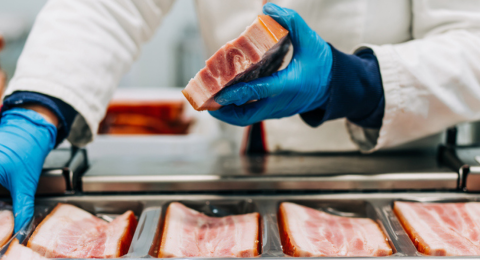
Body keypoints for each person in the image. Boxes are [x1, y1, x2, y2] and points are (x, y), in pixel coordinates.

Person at [1, 0, 480, 232]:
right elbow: (109, 6)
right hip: (234, 164)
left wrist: (351, 82)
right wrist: (38, 108)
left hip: (392, 166)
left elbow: (472, 45)